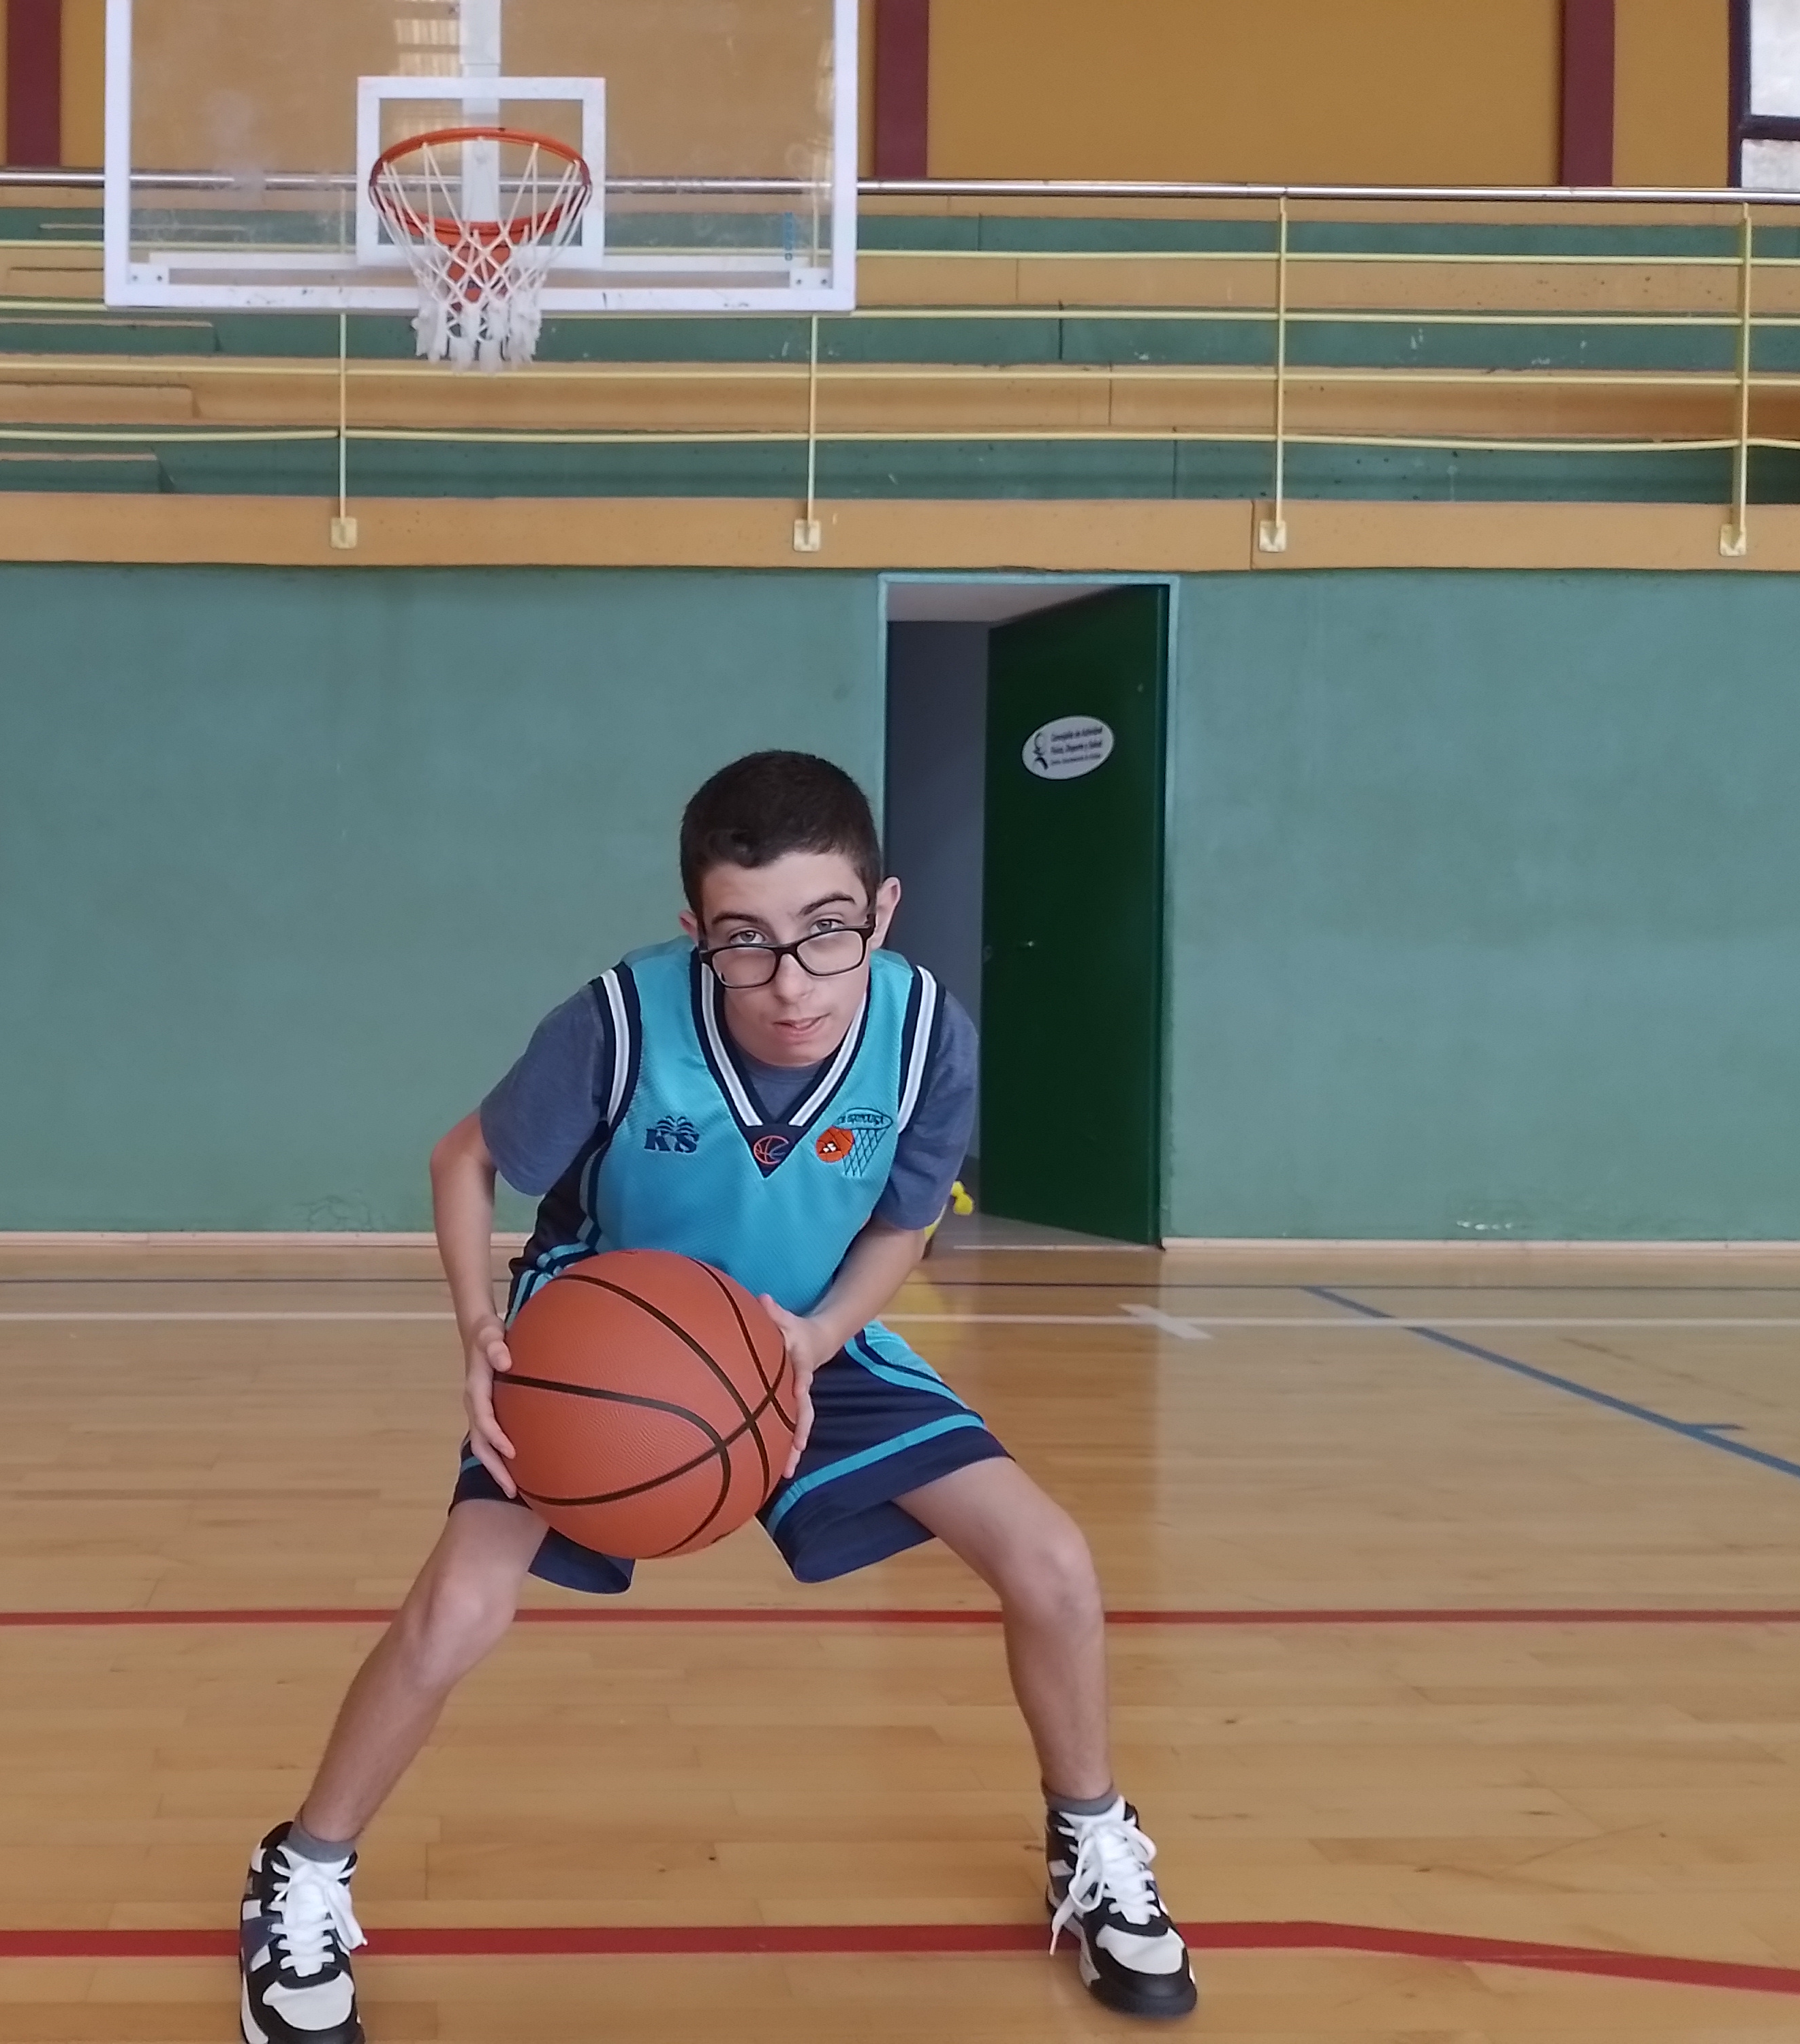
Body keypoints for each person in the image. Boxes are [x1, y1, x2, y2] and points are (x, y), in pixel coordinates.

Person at [237, 751, 1196, 2041]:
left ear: (883, 910)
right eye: (746, 942)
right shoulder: (619, 1023)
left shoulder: (925, 1033)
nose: (791, 981)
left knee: (1056, 1565)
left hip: (804, 1328)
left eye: (826, 931)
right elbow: (463, 1160)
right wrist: (477, 1328)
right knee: (461, 1609)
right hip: (609, 1339)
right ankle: (300, 1871)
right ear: (696, 929)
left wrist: (817, 1337)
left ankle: (1092, 1843)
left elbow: (903, 1223)